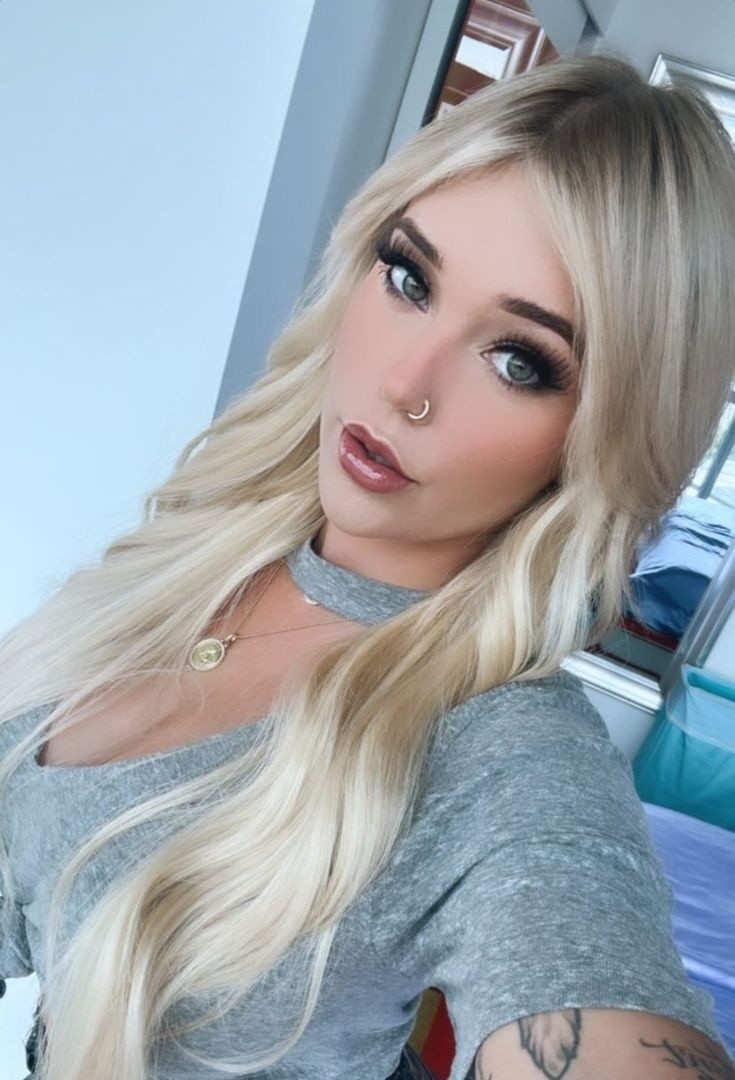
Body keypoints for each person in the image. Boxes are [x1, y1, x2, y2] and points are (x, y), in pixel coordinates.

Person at [1, 48, 735, 1080]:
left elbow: (582, 937)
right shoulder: (207, 539)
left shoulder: (504, 759)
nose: (405, 384)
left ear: (605, 433)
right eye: (409, 278)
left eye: (519, 360)